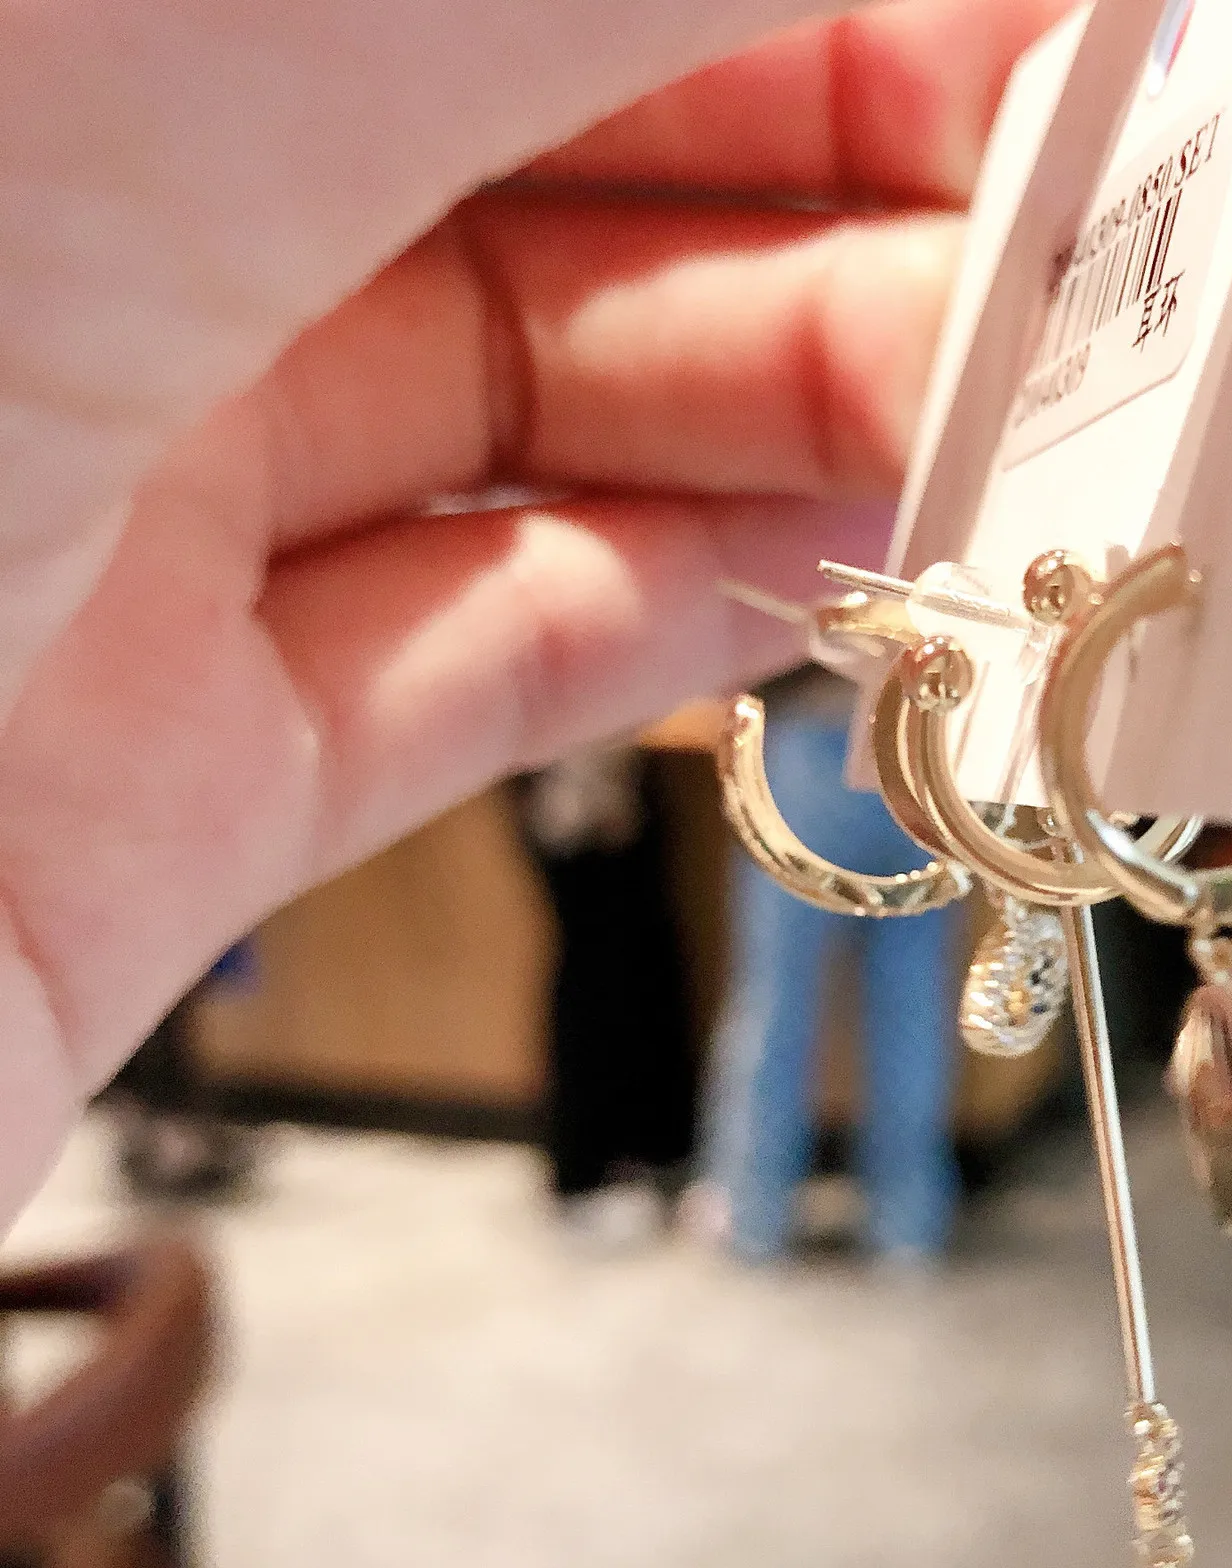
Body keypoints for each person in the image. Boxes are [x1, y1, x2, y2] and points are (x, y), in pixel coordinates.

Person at [0, 0, 1073, 1238]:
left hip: (829, 735)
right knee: (818, 989)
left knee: (782, 993)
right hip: (852, 738)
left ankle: (766, 1213)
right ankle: (867, 1222)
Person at [686, 670, 962, 1269]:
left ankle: (752, 1210)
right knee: (912, 1000)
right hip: (921, 747)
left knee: (776, 996)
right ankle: (908, 1220)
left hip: (810, 737)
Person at [514, 743, 699, 1252]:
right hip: (572, 789)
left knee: (641, 966)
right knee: (591, 975)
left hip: (613, 780)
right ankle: (584, 1168)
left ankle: (646, 1152)